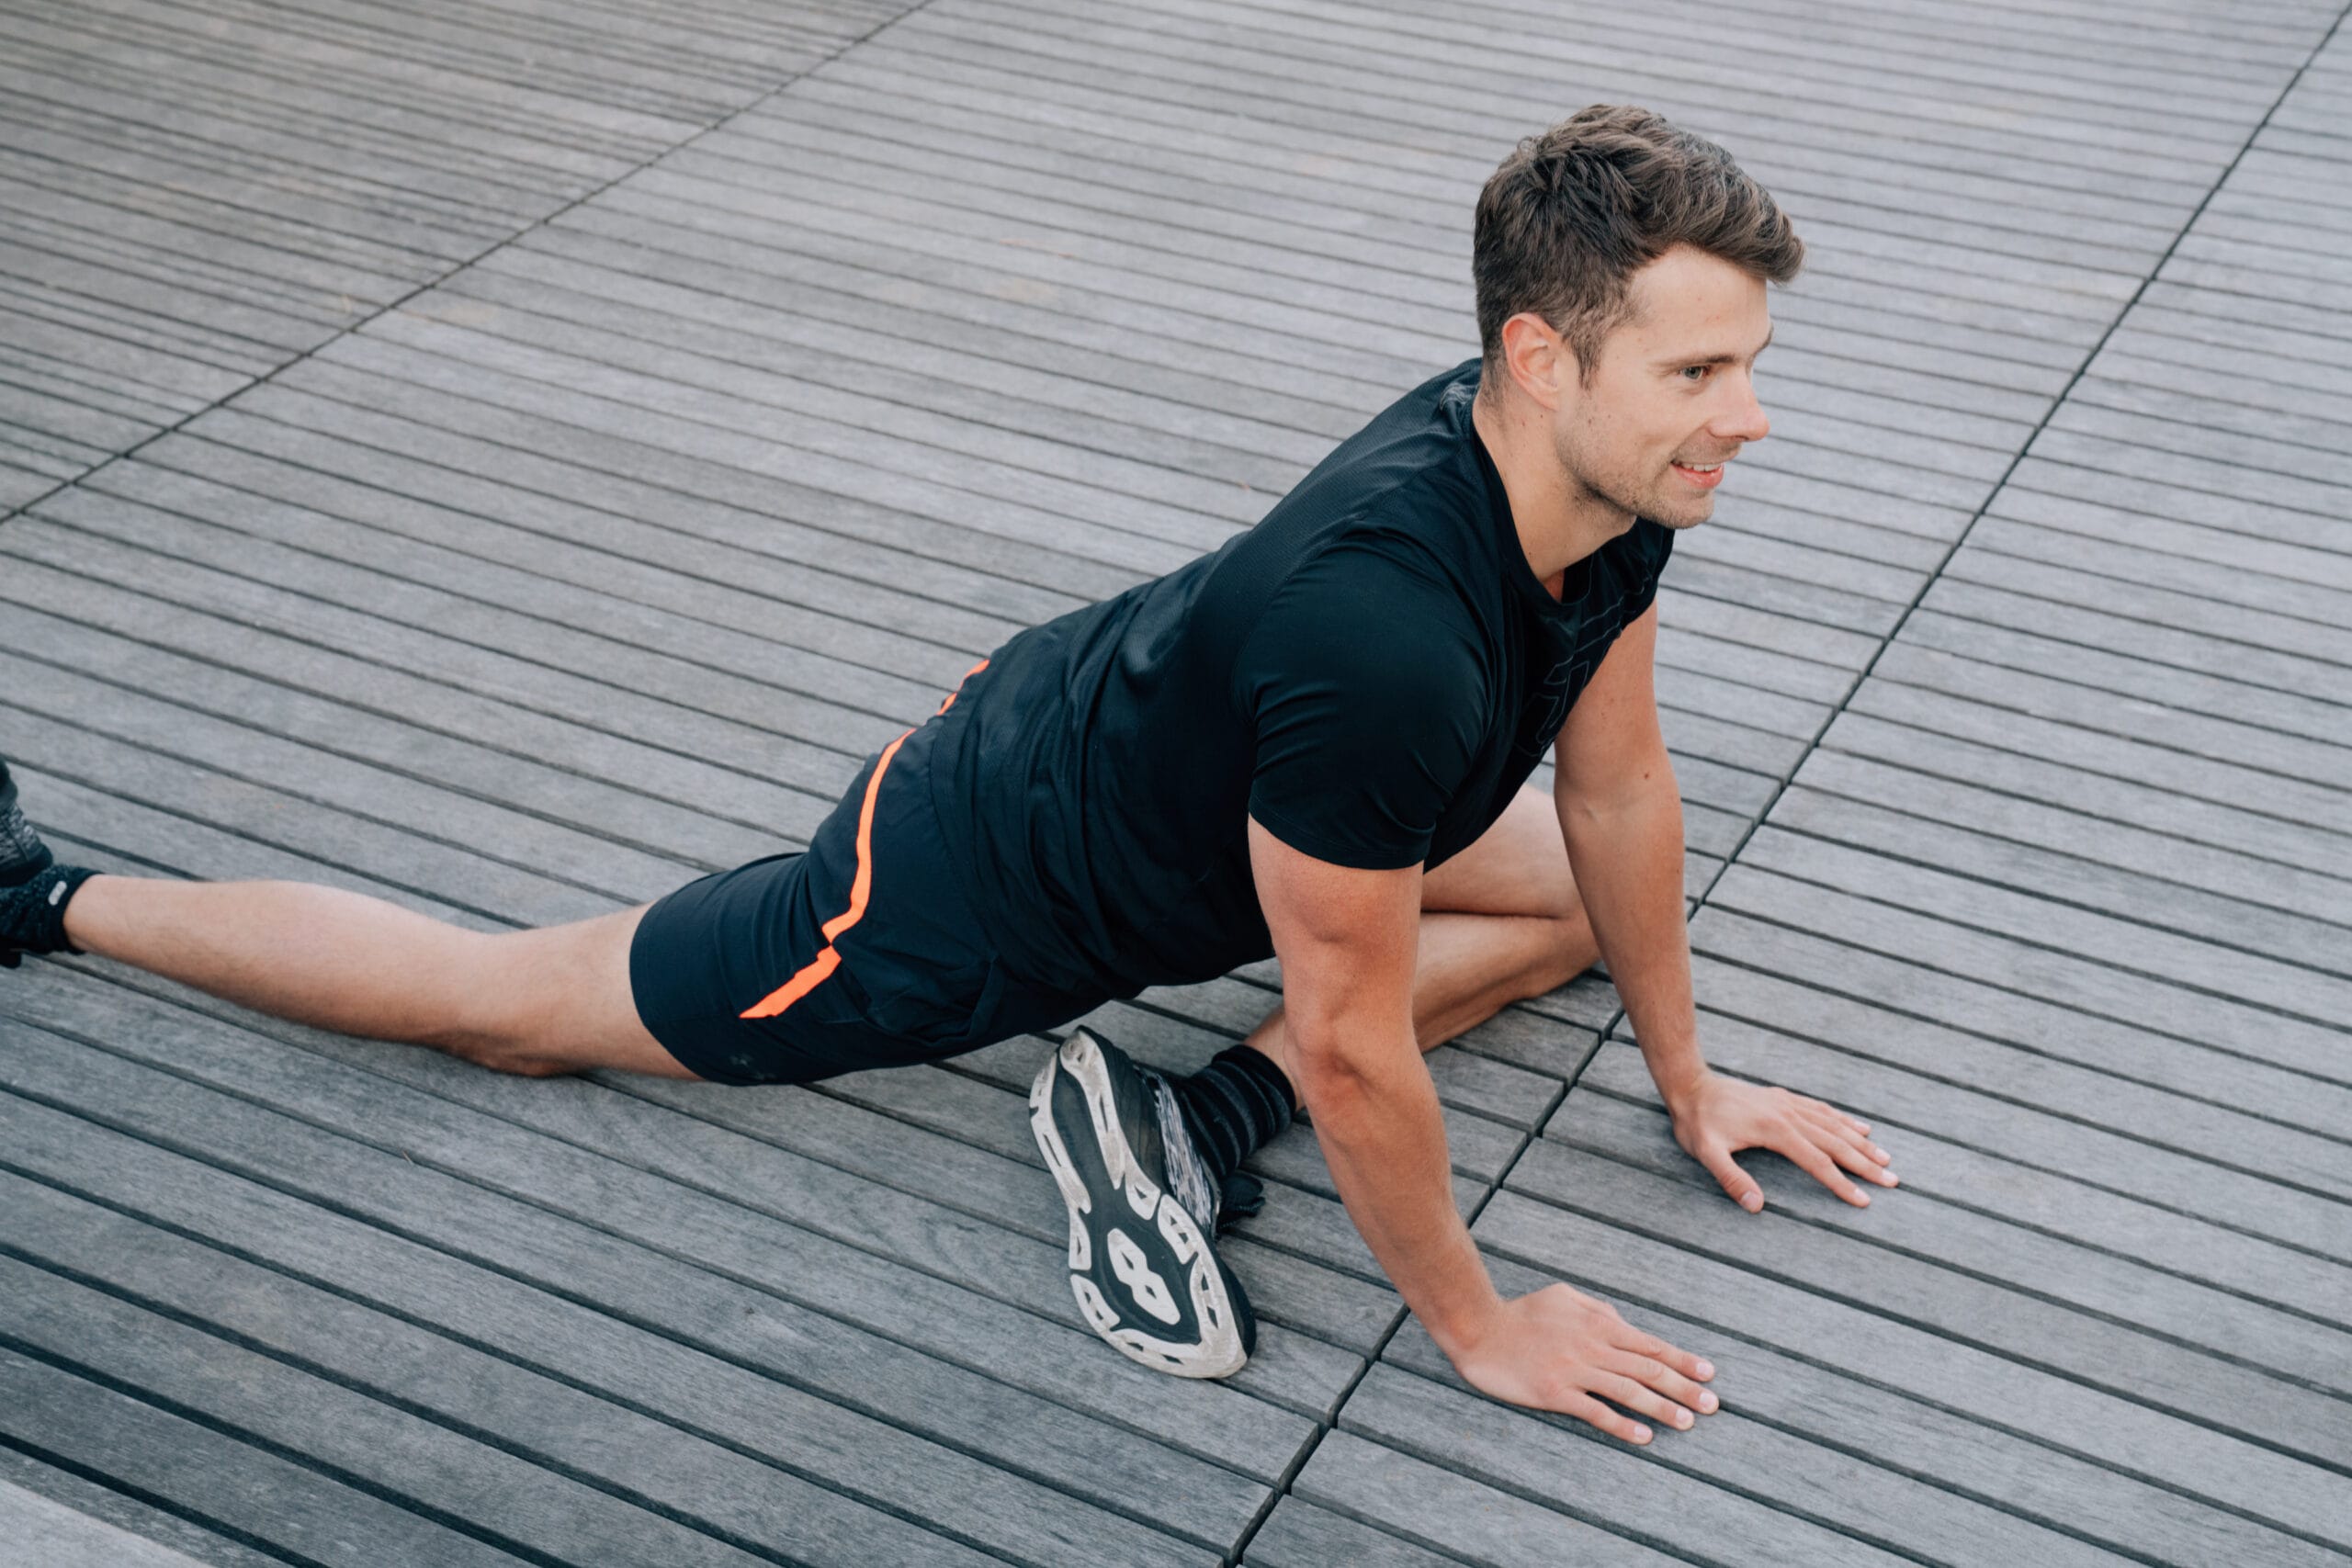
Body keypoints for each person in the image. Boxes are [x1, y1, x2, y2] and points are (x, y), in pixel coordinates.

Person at [1, 104, 1899, 1448]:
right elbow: (1348, 1038)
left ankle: (1173, 1130)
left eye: (1743, 363)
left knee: (1564, 894)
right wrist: (1478, 1326)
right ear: (1533, 351)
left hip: (1192, 759)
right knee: (524, 1004)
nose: (1746, 411)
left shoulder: (1602, 488)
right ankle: (47, 890)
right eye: (1697, 370)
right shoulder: (1385, 631)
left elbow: (1618, 786)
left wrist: (1686, 1071)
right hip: (972, 875)